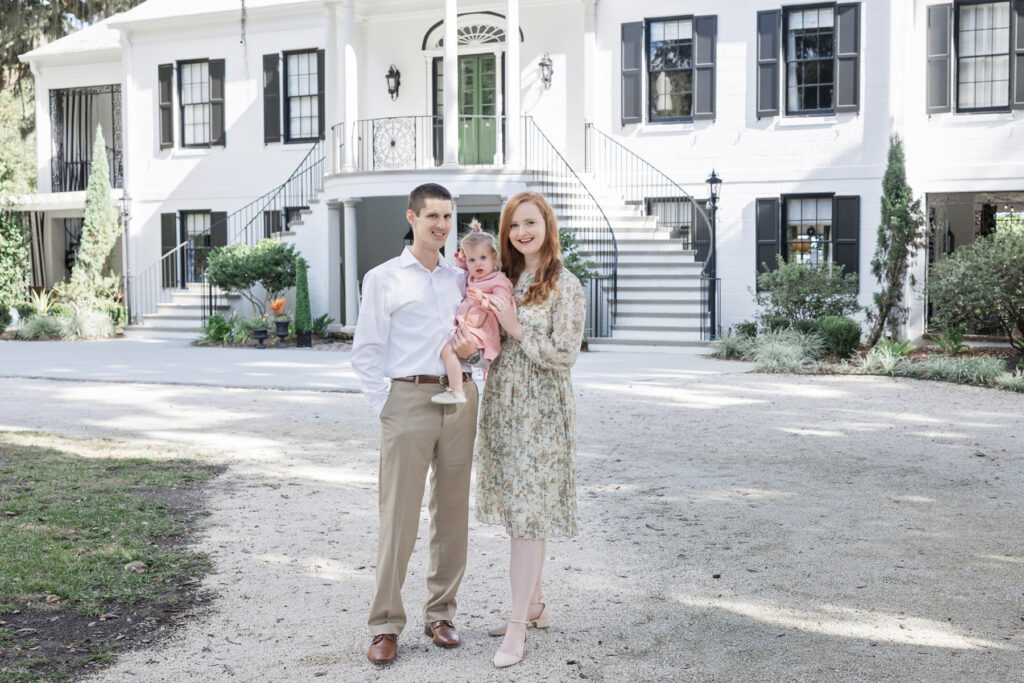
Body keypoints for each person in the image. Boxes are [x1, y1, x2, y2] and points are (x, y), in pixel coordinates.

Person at [351, 183, 481, 665]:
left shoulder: (462, 276)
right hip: (406, 397)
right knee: (399, 516)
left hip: (460, 397)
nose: (441, 225)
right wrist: (385, 404)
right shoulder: (383, 277)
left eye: (448, 216)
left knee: (451, 513)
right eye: (432, 216)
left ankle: (441, 613)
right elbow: (366, 349)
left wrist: (476, 365)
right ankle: (385, 623)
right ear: (411, 217)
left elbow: (479, 330)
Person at [472, 191, 587, 669]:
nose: (522, 232)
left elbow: (566, 354)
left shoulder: (565, 283)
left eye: (530, 223)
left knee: (527, 518)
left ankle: (517, 625)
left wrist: (518, 328)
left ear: (547, 225)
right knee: (519, 509)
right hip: (504, 407)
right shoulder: (505, 278)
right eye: (514, 225)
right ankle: (534, 604)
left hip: (541, 414)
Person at [431, 229, 513, 405]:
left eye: (483, 258)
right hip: (469, 328)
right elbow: (463, 273)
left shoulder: (498, 279)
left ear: (494, 256)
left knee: (447, 350)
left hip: (481, 332)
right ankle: (455, 387)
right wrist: (461, 262)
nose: (477, 264)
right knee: (446, 348)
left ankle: (456, 391)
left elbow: (504, 302)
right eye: (472, 260)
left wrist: (485, 298)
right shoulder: (473, 277)